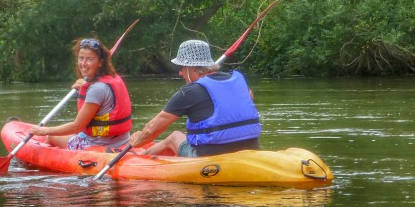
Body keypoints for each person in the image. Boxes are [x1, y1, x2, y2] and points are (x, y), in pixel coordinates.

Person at [129, 39, 261, 157]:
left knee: (174, 136)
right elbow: (249, 98)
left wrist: (135, 142)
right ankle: (149, 155)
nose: (180, 72)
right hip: (250, 149)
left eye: (182, 67)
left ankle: (139, 158)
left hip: (212, 156)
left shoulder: (190, 91)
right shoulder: (236, 80)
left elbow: (151, 129)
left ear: (192, 68)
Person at [21, 37, 132, 150]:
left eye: (89, 59)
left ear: (100, 62)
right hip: (122, 141)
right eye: (81, 58)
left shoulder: (96, 89)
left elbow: (77, 126)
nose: (83, 63)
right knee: (78, 132)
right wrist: (86, 85)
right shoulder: (112, 78)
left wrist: (43, 131)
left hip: (100, 146)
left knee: (51, 136)